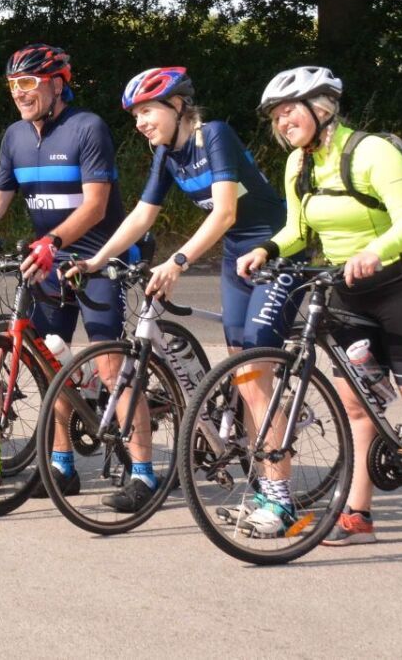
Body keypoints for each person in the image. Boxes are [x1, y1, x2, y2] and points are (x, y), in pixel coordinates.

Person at [237, 66, 402, 561]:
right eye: (276, 117)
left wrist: (376, 251)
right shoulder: (298, 166)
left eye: (290, 111)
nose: (283, 122)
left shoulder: (372, 152)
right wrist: (266, 248)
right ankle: (357, 514)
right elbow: (298, 231)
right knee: (354, 401)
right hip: (347, 288)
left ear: (322, 106)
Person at [71, 66, 293, 516]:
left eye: (147, 111)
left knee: (254, 377)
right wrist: (96, 260)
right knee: (245, 373)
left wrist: (178, 261)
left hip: (276, 250)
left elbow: (226, 212)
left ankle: (278, 494)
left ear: (177, 106)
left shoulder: (215, 135)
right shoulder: (166, 153)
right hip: (237, 257)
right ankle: (262, 477)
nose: (140, 123)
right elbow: (140, 215)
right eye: (135, 115)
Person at [0, 44, 130, 496]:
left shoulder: (87, 128)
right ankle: (60, 466)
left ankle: (144, 471)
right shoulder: (15, 137)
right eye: (13, 86)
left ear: (57, 84)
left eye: (28, 83)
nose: (19, 93)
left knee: (108, 367)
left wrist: (53, 241)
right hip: (46, 261)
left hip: (96, 259)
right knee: (48, 366)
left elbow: (97, 205)